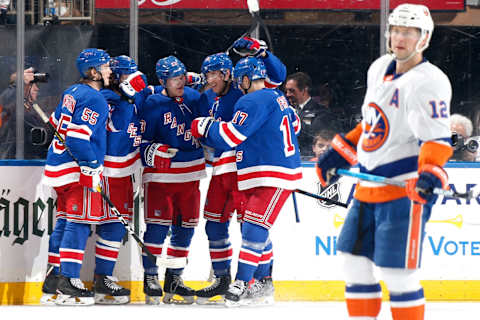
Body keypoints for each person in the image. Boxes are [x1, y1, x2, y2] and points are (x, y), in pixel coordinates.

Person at [316, 4, 452, 320]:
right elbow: (372, 123)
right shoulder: (379, 68)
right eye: (395, 30)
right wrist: (340, 151)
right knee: (354, 265)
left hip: (402, 191)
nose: (399, 37)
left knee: (397, 275)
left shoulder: (430, 81)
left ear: (424, 38)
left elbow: (436, 138)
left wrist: (429, 173)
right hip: (366, 189)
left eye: (409, 31)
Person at [191, 56, 302, 306]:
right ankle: (233, 281)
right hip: (252, 169)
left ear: (235, 76)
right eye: (207, 75)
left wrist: (205, 127)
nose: (209, 80)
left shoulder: (247, 98)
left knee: (251, 227)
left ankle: (252, 281)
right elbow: (294, 125)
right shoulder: (276, 96)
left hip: (256, 170)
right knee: (225, 225)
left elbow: (231, 135)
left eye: (215, 74)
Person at [40, 48, 112, 306]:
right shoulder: (95, 99)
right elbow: (78, 137)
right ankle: (69, 281)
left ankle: (52, 282)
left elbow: (57, 121)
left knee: (64, 222)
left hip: (57, 166)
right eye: (104, 67)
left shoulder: (71, 92)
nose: (109, 71)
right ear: (92, 72)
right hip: (75, 169)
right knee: (79, 223)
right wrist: (91, 165)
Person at [139, 55, 205, 305]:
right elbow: (141, 140)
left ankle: (174, 279)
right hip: (161, 177)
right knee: (157, 228)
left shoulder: (195, 97)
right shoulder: (152, 103)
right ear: (162, 80)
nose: (179, 82)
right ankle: (150, 277)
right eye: (173, 78)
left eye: (181, 76)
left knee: (185, 229)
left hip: (192, 174)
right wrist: (153, 150)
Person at [284, 72, 341, 157]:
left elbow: (314, 137)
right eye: (286, 91)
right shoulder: (285, 111)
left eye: (292, 91)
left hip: (308, 162)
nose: (287, 94)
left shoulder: (321, 112)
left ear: (304, 90)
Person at [0, 67, 50, 159]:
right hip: (14, 162)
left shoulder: (34, 108)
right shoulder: (14, 108)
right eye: (32, 85)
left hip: (35, 160)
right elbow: (6, 102)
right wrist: (17, 84)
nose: (36, 89)